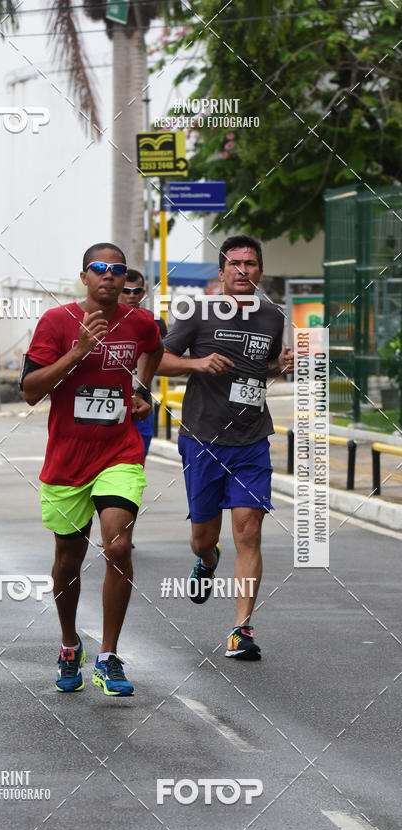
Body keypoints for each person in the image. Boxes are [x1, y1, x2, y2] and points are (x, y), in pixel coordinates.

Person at [21, 243, 163, 695]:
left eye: (117, 270)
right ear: (84, 276)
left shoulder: (139, 322)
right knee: (68, 561)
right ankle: (69, 644)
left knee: (118, 545)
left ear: (125, 281)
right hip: (67, 460)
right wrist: (78, 351)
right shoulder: (56, 322)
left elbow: (154, 348)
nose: (109, 276)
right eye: (99, 269)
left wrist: (141, 390)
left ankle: (108, 655)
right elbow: (29, 390)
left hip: (118, 451)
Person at [158, 235, 294, 660]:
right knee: (204, 536)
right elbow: (156, 359)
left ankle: (242, 629)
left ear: (260, 271)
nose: (242, 271)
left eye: (250, 264)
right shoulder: (197, 313)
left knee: (249, 531)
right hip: (203, 439)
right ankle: (207, 559)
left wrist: (281, 365)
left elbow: (263, 365)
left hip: (252, 438)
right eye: (234, 264)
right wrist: (195, 363)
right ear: (220, 273)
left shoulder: (272, 316)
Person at [119, 268, 167, 457]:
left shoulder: (154, 322)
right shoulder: (102, 318)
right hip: (108, 403)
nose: (132, 296)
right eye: (126, 291)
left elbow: (164, 359)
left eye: (137, 291)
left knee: (135, 465)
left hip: (141, 404)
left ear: (144, 291)